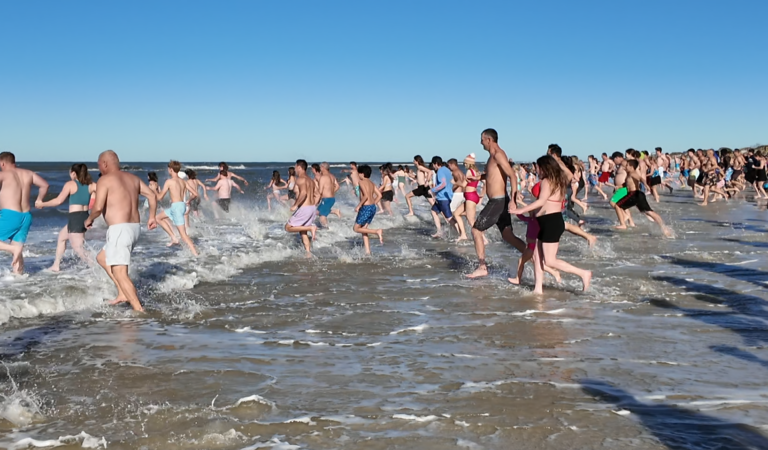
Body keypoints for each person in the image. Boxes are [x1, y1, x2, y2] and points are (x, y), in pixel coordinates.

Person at [85, 150, 157, 312]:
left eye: (98, 165)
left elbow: (97, 208)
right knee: (102, 258)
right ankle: (122, 294)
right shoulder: (134, 179)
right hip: (134, 228)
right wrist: (152, 217)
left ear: (104, 163)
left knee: (120, 271)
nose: (99, 169)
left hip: (120, 229)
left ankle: (139, 310)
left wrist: (89, 220)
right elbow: (152, 196)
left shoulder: (105, 180)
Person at [510, 155, 592, 294]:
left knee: (550, 261)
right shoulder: (560, 181)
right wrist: (557, 162)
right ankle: (538, 289)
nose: (537, 170)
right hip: (545, 222)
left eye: (538, 167)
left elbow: (541, 201)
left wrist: (520, 209)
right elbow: (568, 174)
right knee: (538, 257)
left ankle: (583, 273)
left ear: (544, 168)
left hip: (551, 222)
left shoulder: (547, 182)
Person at [467, 129, 526, 279]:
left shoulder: (498, 154)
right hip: (499, 201)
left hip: (498, 201)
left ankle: (482, 267)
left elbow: (512, 175)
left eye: (482, 139)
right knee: (508, 236)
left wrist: (513, 200)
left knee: (476, 230)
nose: (480, 143)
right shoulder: (492, 157)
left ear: (489, 140)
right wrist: (479, 177)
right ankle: (535, 257)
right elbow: (493, 174)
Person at [36, 163, 96, 272]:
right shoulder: (92, 185)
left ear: (73, 173)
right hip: (84, 216)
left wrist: (42, 204)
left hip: (75, 217)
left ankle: (96, 267)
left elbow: (58, 201)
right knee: (62, 237)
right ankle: (56, 265)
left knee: (78, 248)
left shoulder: (70, 184)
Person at [0, 152, 49, 274]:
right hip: (26, 216)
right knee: (18, 250)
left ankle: (12, 249)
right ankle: (18, 278)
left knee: (15, 248)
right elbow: (44, 185)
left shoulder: (4, 174)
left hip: (10, 215)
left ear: (2, 163)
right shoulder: (29, 173)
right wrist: (39, 199)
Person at [615, 160, 673, 237]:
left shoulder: (633, 173)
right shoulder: (629, 174)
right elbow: (628, 184)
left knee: (617, 205)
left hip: (634, 194)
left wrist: (646, 185)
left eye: (627, 166)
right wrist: (619, 186)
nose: (625, 167)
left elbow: (640, 178)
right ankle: (664, 228)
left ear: (632, 167)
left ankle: (623, 224)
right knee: (649, 212)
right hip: (638, 195)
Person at [154, 161, 199, 255]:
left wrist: (153, 191)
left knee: (183, 235)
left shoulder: (169, 182)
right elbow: (195, 194)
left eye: (168, 169)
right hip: (181, 206)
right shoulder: (183, 181)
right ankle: (173, 238)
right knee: (158, 218)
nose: (168, 170)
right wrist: (188, 201)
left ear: (171, 169)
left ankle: (195, 254)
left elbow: (159, 197)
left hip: (176, 208)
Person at [285, 159, 319, 256]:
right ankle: (308, 252)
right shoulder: (310, 180)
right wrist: (313, 205)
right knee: (302, 231)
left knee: (288, 227)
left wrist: (295, 205)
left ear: (299, 167)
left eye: (295, 167)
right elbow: (317, 194)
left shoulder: (301, 179)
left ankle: (311, 228)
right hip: (312, 207)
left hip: (305, 208)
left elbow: (303, 193)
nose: (295, 169)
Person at [353, 164, 383, 255]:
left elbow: (365, 196)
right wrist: (373, 203)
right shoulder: (372, 183)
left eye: (359, 173)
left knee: (356, 228)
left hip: (365, 207)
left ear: (362, 174)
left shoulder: (361, 182)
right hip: (372, 207)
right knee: (364, 229)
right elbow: (380, 195)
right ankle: (368, 251)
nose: (358, 175)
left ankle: (376, 231)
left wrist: (359, 205)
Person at [446, 158, 469, 242]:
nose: (448, 167)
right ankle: (462, 230)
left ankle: (460, 233)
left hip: (457, 194)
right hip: (463, 194)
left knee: (449, 214)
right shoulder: (461, 172)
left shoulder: (454, 172)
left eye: (449, 165)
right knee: (458, 213)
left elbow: (459, 182)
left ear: (452, 164)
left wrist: (452, 189)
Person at [317, 162, 342, 226]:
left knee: (322, 217)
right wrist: (331, 192)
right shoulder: (332, 176)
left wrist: (315, 201)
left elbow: (320, 192)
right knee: (317, 212)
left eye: (320, 167)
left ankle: (327, 230)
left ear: (323, 167)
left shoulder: (323, 177)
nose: (319, 169)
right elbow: (337, 186)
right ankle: (335, 211)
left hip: (326, 199)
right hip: (331, 198)